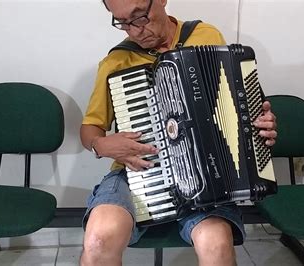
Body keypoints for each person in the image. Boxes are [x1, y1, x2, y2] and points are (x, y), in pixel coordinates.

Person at [80, 0, 277, 265]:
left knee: (216, 244)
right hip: (138, 172)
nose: (135, 31)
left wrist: (259, 126)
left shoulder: (206, 35)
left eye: (140, 17)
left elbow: (235, 103)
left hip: (206, 176)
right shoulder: (117, 61)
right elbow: (90, 128)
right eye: (123, 23)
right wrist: (100, 145)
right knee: (99, 240)